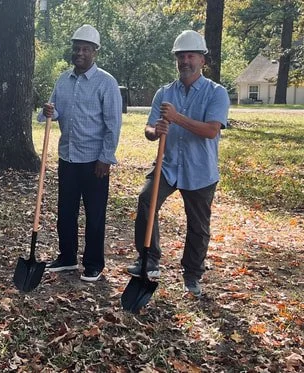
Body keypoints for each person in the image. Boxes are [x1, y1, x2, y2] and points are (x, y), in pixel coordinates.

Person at [126, 30, 229, 297]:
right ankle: (148, 260)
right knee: (146, 200)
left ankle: (192, 274)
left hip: (200, 170)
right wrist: (155, 130)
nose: (185, 61)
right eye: (181, 56)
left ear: (202, 60)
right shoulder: (164, 93)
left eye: (191, 55)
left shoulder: (216, 93)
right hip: (168, 164)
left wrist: (176, 117)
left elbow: (210, 131)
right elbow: (149, 130)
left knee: (198, 225)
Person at [38, 24, 122, 282]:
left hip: (94, 161)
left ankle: (94, 263)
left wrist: (105, 158)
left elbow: (113, 124)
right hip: (68, 157)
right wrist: (49, 111)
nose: (80, 53)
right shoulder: (63, 80)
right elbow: (52, 113)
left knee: (95, 213)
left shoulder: (106, 83)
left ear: (95, 52)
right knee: (66, 210)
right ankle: (67, 257)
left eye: (86, 49)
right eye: (77, 49)